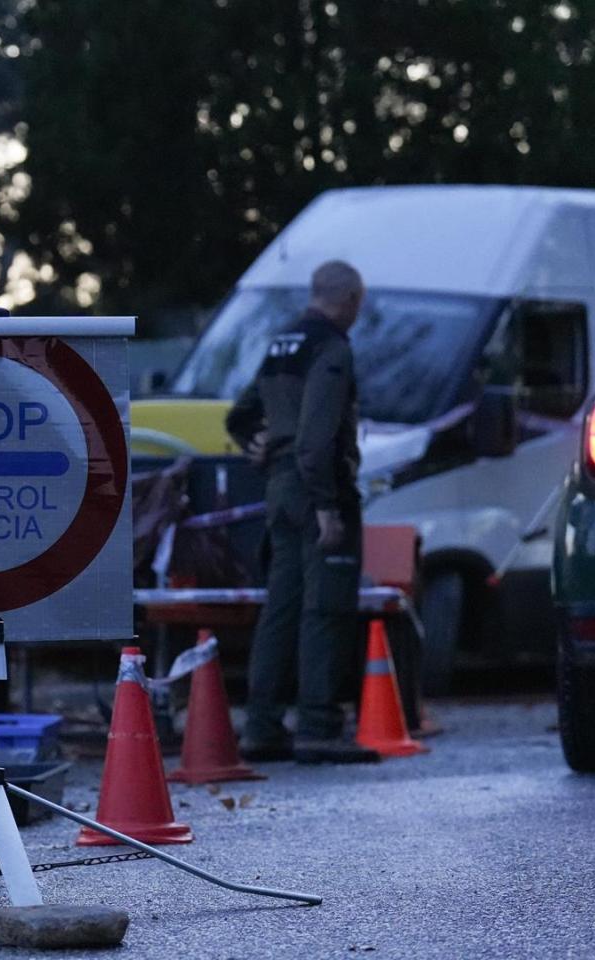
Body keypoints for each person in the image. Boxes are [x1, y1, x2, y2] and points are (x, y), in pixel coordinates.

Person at [224, 260, 375, 764]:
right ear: (350, 298)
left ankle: (262, 727)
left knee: (281, 608)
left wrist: (258, 443)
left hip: (280, 490)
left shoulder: (281, 342)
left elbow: (240, 414)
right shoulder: (331, 348)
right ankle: (318, 727)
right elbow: (316, 437)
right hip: (317, 489)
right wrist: (329, 505)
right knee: (325, 610)